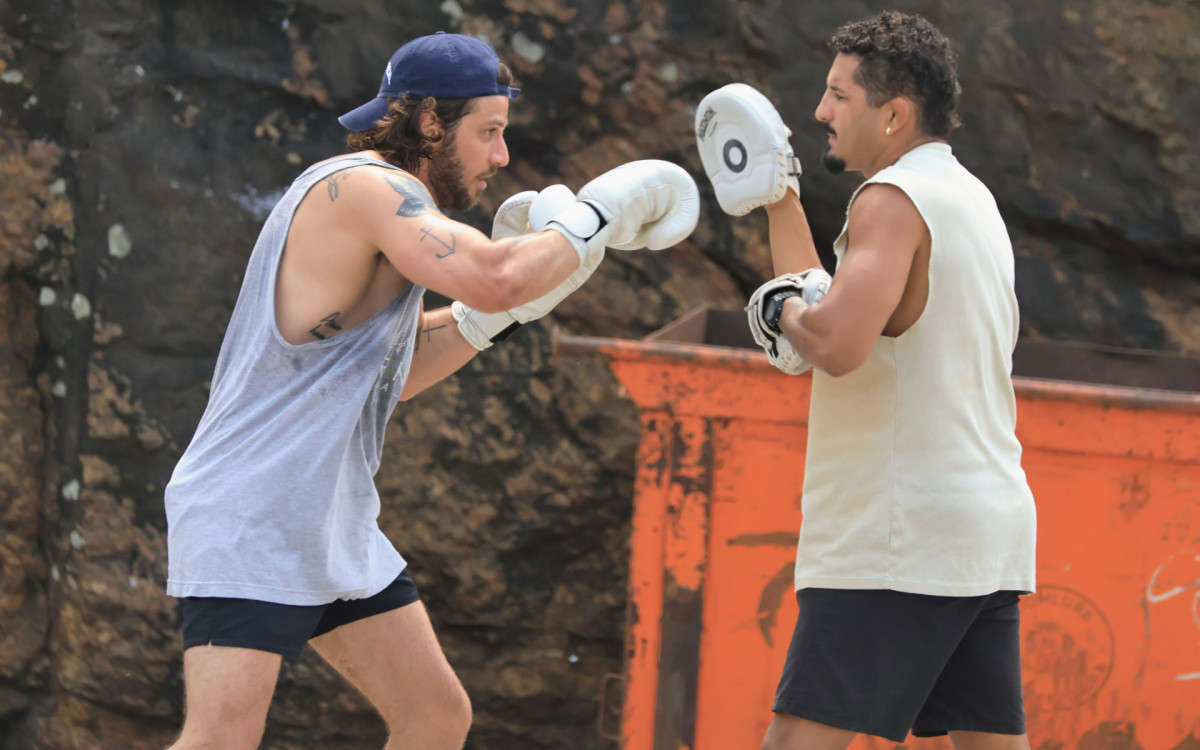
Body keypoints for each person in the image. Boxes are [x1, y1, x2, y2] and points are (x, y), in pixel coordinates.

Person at [162, 31, 698, 750]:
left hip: (325, 516)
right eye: (490, 133)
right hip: (251, 512)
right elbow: (496, 273)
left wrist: (497, 316)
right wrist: (595, 214)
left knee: (436, 717)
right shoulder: (368, 186)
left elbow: (394, 372)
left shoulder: (388, 209)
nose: (501, 157)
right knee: (222, 738)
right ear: (427, 123)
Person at [696, 10, 1036, 750]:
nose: (819, 111)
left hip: (898, 540)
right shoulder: (970, 199)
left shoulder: (890, 201)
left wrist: (779, 306)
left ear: (893, 115)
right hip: (982, 534)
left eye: (837, 96)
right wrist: (779, 199)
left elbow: (837, 338)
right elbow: (861, 308)